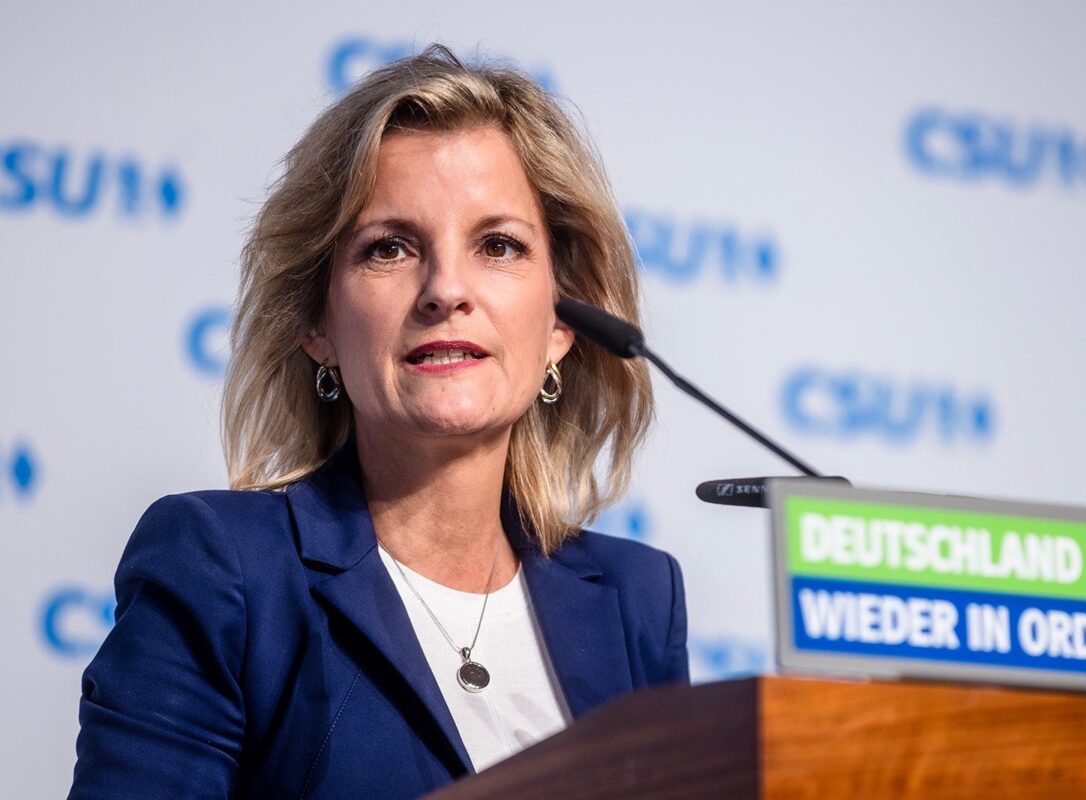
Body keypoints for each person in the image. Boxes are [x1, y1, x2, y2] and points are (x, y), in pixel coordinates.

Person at [69, 45, 688, 799]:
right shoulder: (223, 569)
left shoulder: (638, 602)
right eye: (389, 248)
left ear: (563, 322)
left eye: (498, 246)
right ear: (317, 324)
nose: (446, 291)